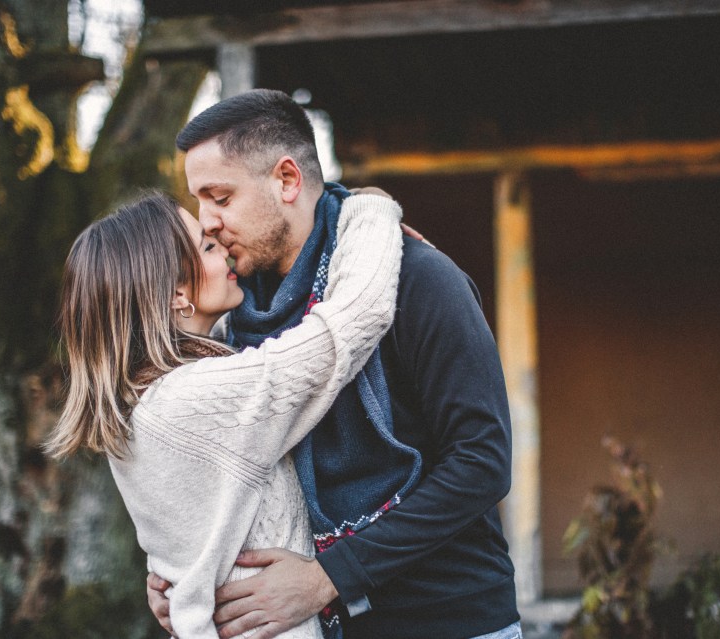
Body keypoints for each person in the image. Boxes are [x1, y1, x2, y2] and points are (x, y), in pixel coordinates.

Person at [147, 89, 521, 639]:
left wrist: (328, 577)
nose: (207, 222)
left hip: (448, 619)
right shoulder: (229, 318)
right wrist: (175, 571)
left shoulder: (419, 280)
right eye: (198, 201)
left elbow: (482, 463)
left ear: (287, 180)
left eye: (220, 197)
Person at [45, 188, 404, 639]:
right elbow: (354, 320)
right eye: (208, 247)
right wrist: (370, 208)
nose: (223, 247)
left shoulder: (145, 399)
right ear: (177, 293)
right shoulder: (195, 398)